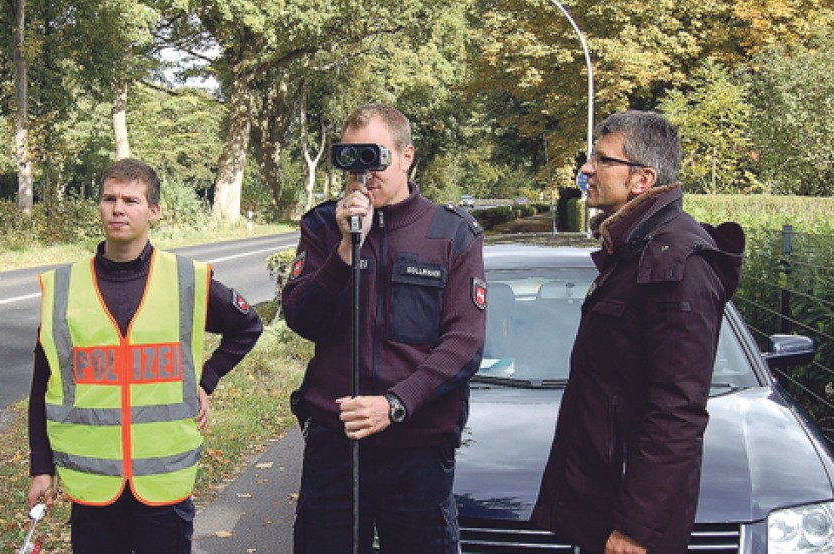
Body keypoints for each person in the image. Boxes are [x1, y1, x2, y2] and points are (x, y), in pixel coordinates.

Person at [531, 111, 745, 554]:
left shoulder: (677, 265)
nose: (587, 169)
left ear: (642, 179)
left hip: (629, 525)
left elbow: (676, 412)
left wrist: (637, 529)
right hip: (602, 505)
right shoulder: (632, 252)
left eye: (602, 159)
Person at [26, 158, 263, 553]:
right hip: (93, 487)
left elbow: (247, 326)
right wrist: (40, 467)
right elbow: (42, 386)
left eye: (131, 200)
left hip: (163, 487)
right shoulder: (64, 288)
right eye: (109, 198)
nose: (118, 208)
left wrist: (205, 381)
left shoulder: (185, 279)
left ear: (154, 211)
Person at [282, 102, 487, 553]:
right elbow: (302, 319)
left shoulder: (451, 234)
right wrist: (343, 252)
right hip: (337, 444)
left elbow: (464, 343)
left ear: (407, 155)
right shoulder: (322, 226)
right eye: (350, 158)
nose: (363, 173)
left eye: (375, 157)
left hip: (417, 447)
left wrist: (395, 403)